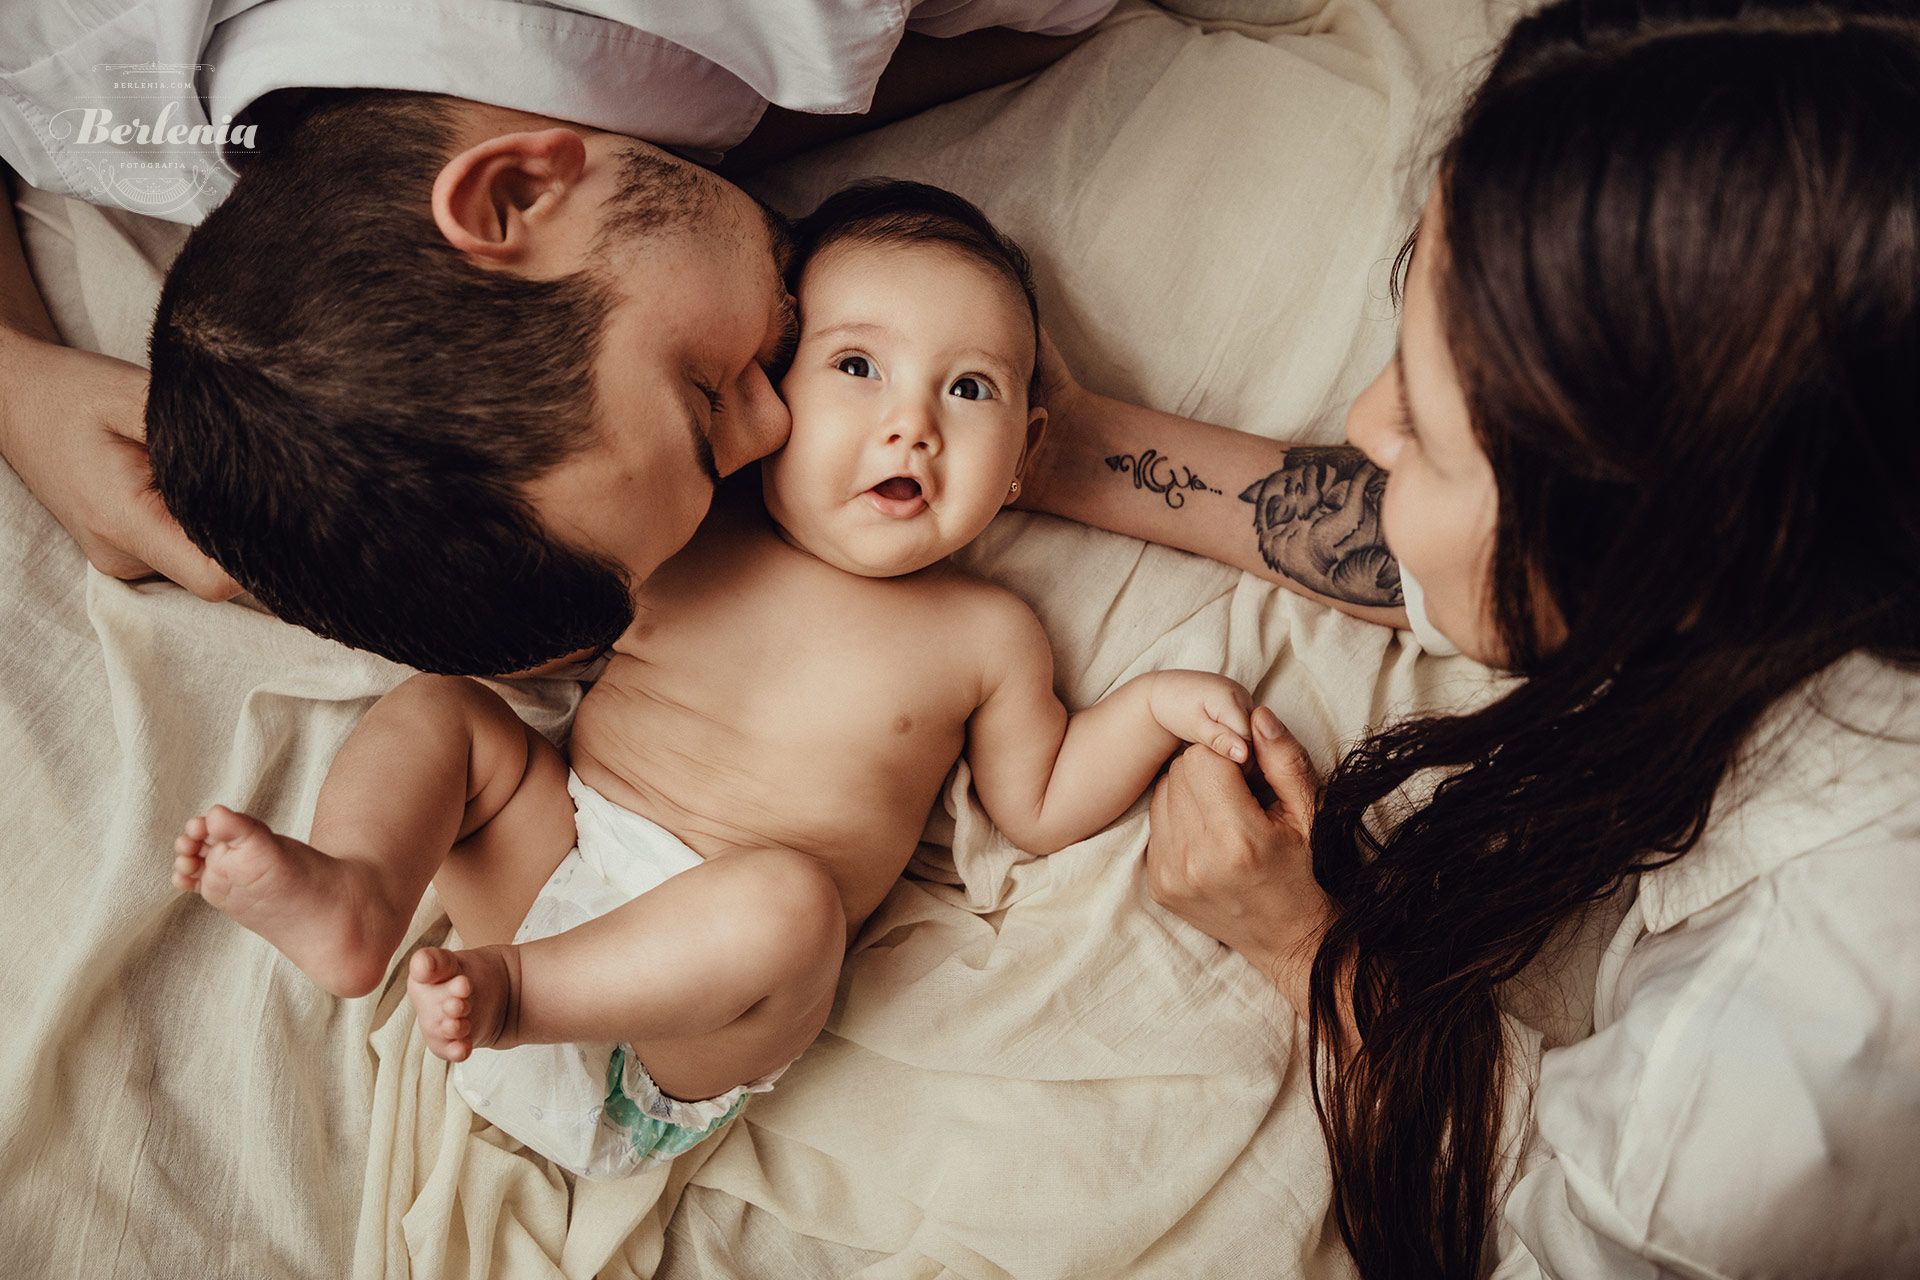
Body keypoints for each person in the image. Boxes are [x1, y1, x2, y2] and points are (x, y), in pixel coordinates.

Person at [1024, 2, 1920, 1276]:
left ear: (1669, 555)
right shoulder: (1825, 485)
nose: (1363, 417)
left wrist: (1304, 946)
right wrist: (1057, 444)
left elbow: (1549, 1239)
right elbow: (1493, 553)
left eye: (1435, 438)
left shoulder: (1791, 1051)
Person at [168, 181, 1257, 1179]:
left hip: (671, 1033)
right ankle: (359, 887)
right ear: (767, 392)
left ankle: (517, 996)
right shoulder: (690, 525)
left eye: (968, 388)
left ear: (1024, 452)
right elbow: (515, 611)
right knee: (446, 710)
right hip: (552, 872)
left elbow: (1039, 800)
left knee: (788, 903)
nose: (910, 423)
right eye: (856, 365)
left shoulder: (988, 634)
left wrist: (1151, 711)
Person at [0, 0, 1118, 665]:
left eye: (703, 394)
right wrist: (14, 375)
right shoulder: (76, 86)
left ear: (516, 190)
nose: (777, 415)